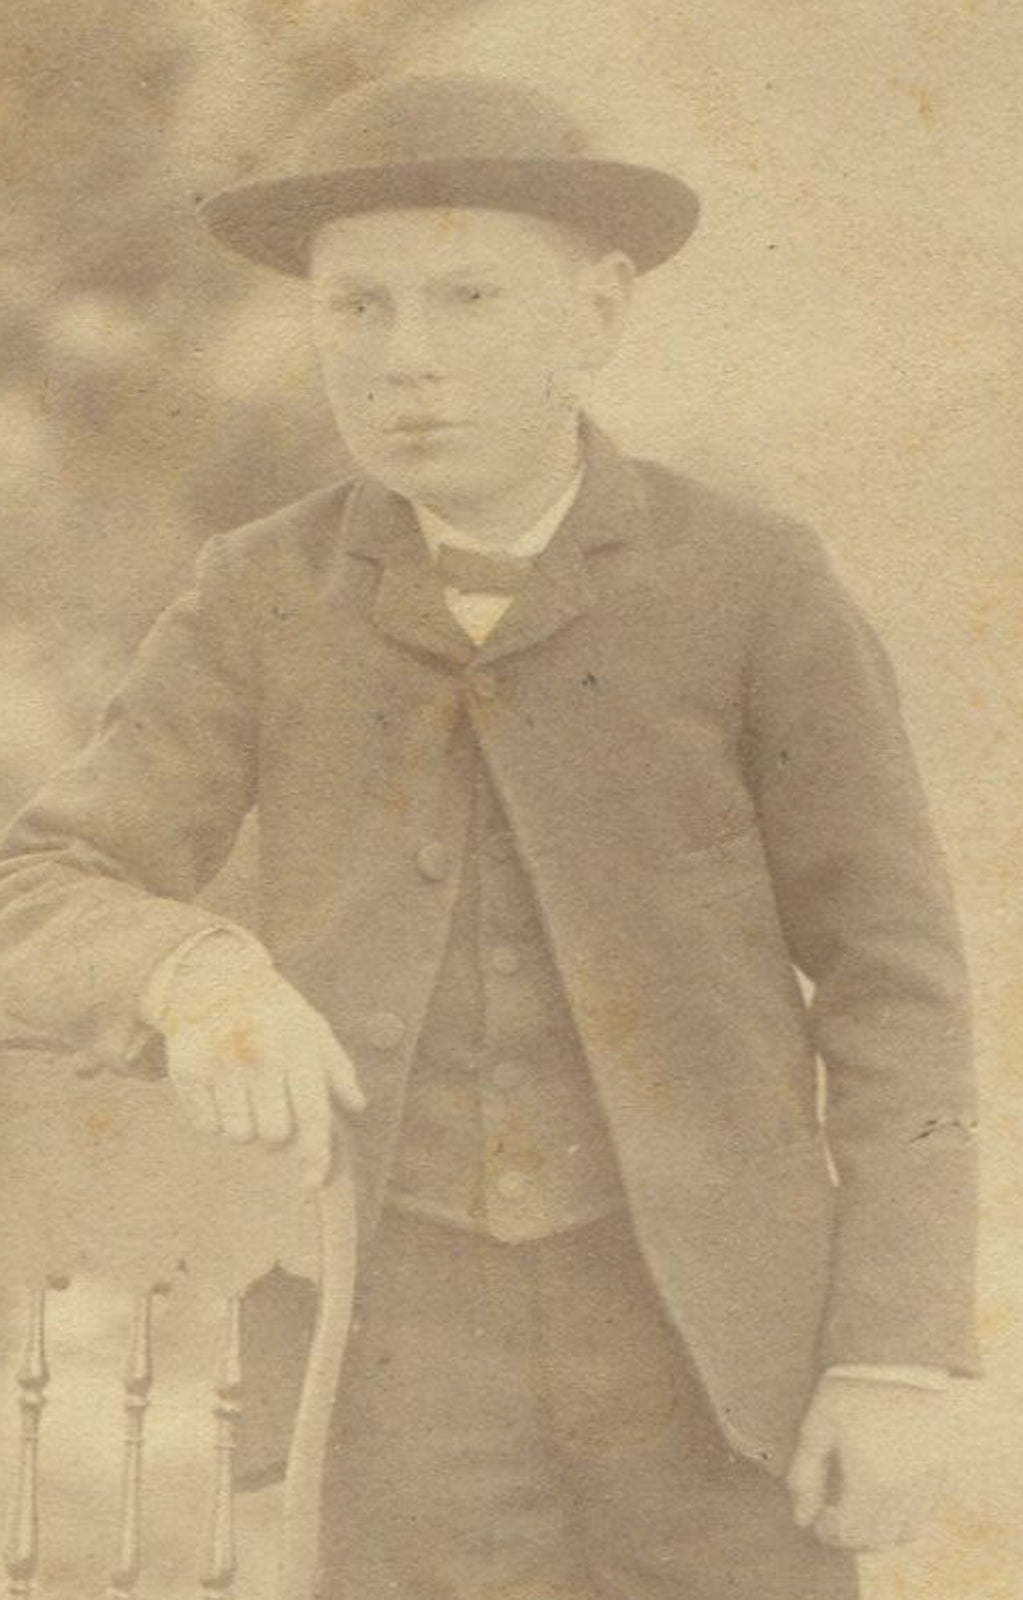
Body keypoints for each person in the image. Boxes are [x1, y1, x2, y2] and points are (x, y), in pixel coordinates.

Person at [0, 72, 978, 1600]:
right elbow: (38, 885)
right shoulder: (259, 595)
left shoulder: (755, 588)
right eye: (357, 308)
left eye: (467, 297)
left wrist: (896, 1361)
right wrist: (190, 972)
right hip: (379, 1361)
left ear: (596, 313)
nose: (410, 362)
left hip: (717, 1365)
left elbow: (894, 986)